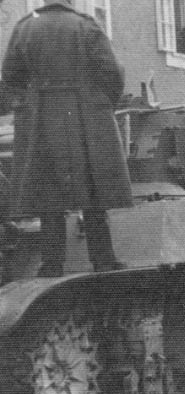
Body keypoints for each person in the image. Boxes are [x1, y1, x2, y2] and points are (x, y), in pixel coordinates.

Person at [2, 0, 132, 277]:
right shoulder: (86, 25)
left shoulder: (25, 27)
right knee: (94, 190)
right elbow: (111, 71)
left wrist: (27, 103)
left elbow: (10, 76)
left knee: (49, 195)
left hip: (41, 117)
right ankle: (103, 260)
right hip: (84, 115)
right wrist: (102, 103)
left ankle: (51, 265)